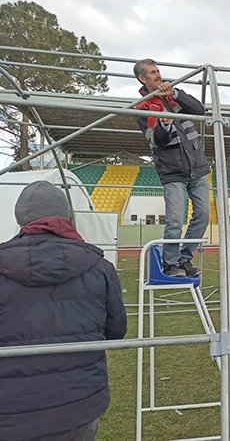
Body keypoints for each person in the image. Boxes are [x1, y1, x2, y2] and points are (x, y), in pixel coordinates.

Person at [0, 181, 127, 441]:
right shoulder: (100, 267)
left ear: (21, 218)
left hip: (14, 410)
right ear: (65, 216)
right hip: (80, 405)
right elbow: (116, 331)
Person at [134, 58, 210, 278]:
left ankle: (185, 259)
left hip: (197, 167)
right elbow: (157, 142)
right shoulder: (143, 107)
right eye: (152, 73)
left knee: (203, 215)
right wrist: (164, 125)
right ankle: (170, 263)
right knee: (175, 220)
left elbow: (199, 110)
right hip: (172, 172)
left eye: (158, 71)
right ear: (142, 78)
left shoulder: (175, 94)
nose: (158, 75)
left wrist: (175, 94)